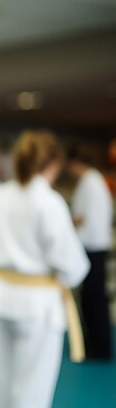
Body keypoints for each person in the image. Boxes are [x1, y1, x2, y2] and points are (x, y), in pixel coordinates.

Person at [0, 130, 90, 408]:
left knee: (5, 384)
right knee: (32, 391)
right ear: (52, 164)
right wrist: (63, 277)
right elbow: (72, 264)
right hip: (36, 305)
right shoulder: (48, 202)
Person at [68, 149, 113, 360]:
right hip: (90, 246)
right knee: (89, 299)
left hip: (92, 248)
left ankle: (100, 348)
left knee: (94, 299)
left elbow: (83, 217)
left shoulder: (91, 183)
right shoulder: (91, 182)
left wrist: (71, 224)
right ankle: (93, 342)